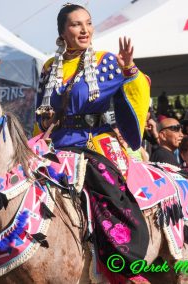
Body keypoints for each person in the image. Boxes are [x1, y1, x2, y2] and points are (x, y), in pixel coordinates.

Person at [35, 3, 150, 281]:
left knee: (106, 193)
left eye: (88, 23)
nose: (84, 29)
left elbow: (138, 91)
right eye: (76, 24)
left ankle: (127, 264)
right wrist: (46, 119)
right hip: (57, 145)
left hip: (93, 144)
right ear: (62, 32)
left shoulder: (105, 61)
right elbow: (40, 110)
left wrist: (129, 70)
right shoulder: (50, 67)